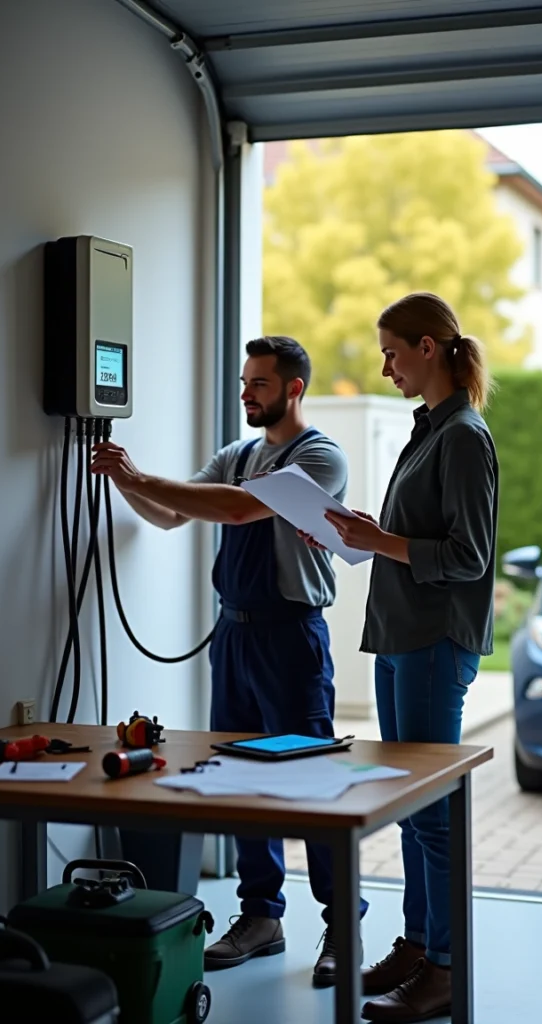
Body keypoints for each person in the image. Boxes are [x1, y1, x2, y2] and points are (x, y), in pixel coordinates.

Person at [91, 334, 368, 988]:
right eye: (245, 382)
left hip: (291, 637)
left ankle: (343, 925)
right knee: (241, 780)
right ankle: (261, 917)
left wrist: (139, 476)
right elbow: (169, 515)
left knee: (311, 782)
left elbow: (242, 510)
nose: (246, 393)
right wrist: (124, 483)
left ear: (294, 389)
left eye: (259, 383)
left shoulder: (320, 456)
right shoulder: (237, 454)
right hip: (234, 637)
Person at [302, 293, 499, 1023]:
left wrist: (380, 539)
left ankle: (444, 968)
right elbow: (419, 536)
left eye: (391, 352)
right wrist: (363, 532)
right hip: (400, 638)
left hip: (433, 642)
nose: (385, 367)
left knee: (433, 814)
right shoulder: (430, 429)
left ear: (427, 347)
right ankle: (419, 948)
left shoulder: (464, 437)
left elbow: (469, 556)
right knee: (414, 811)